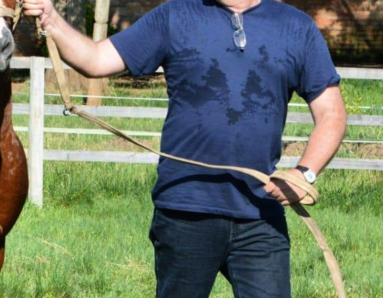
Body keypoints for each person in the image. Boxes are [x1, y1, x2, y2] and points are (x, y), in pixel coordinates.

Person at [21, 0, 347, 296]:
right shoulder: (175, 16)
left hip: (261, 214)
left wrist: (304, 173)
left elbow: (331, 113)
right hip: (184, 211)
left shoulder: (296, 27)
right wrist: (51, 18)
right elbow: (95, 59)